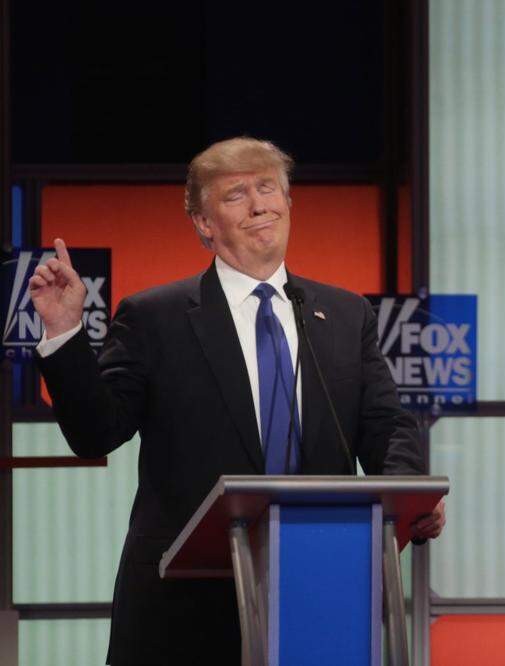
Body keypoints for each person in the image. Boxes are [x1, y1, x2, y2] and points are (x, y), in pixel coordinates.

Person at [29, 137, 446, 665]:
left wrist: (408, 498)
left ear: (288, 203)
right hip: (184, 611)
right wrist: (65, 334)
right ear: (204, 224)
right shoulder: (154, 317)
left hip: (318, 592)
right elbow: (96, 433)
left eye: (268, 188)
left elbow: (386, 425)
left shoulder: (345, 314)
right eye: (236, 194)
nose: (258, 205)